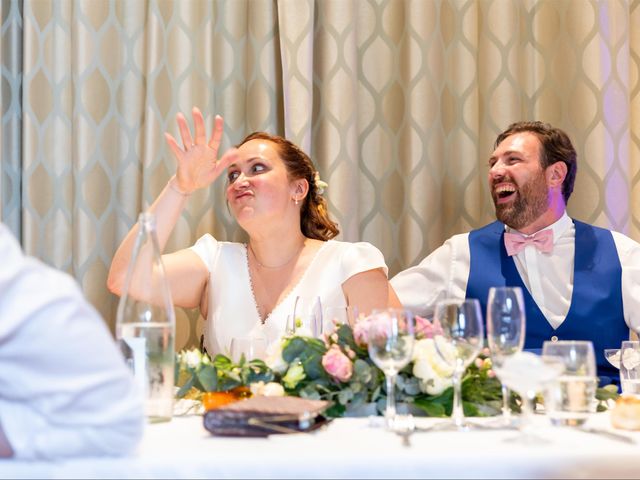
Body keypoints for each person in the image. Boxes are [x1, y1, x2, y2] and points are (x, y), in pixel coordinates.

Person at [108, 107, 400, 357]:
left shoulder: (350, 264)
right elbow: (125, 279)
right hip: (227, 422)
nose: (239, 181)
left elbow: (387, 370)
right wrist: (180, 186)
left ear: (298, 188)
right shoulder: (214, 262)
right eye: (232, 174)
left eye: (257, 168)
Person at [391, 121, 640, 383]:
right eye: (493, 163)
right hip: (500, 418)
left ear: (555, 174)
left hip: (601, 418)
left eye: (512, 160)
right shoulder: (459, 254)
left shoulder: (621, 253)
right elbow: (379, 315)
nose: (496, 171)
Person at [0, 222, 143, 460]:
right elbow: (123, 278)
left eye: (231, 180)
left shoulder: (30, 299)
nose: (231, 187)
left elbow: (118, 422)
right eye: (229, 180)